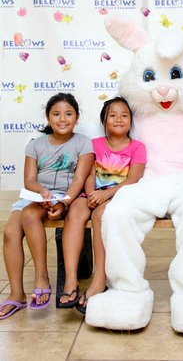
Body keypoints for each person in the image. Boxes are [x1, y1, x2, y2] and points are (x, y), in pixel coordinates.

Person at [0, 93, 94, 318]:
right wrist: (42, 192)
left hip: (67, 196)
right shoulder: (36, 144)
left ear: (77, 117)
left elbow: (80, 179)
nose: (63, 119)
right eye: (56, 114)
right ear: (48, 117)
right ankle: (16, 295)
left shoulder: (83, 143)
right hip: (37, 195)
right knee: (11, 232)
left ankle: (41, 278)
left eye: (68, 114)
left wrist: (64, 201)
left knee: (29, 217)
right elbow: (30, 180)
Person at [58, 97, 147, 313]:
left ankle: (99, 279)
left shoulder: (137, 147)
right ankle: (71, 281)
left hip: (118, 197)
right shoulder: (94, 144)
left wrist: (106, 195)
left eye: (124, 115)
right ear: (104, 120)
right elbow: (88, 173)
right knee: (75, 213)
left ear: (131, 121)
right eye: (113, 115)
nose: (118, 119)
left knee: (100, 216)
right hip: (91, 194)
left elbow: (132, 179)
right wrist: (90, 194)